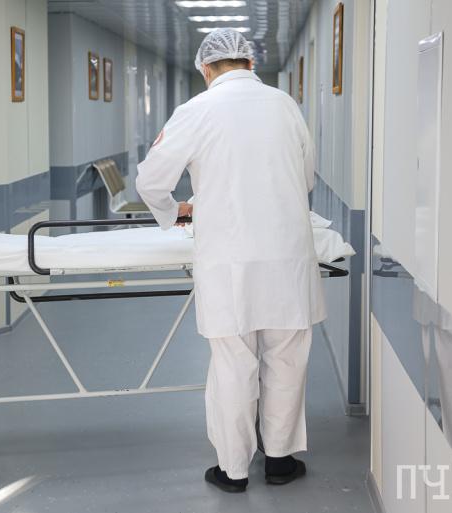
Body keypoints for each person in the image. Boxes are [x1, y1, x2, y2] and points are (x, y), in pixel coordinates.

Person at [135, 28, 325, 493]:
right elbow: (305, 178)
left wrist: (176, 211)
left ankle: (233, 470)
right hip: (287, 256)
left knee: (233, 365)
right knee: (286, 359)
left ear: (205, 69)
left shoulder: (196, 110)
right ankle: (279, 460)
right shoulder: (285, 105)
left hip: (229, 260)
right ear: (251, 63)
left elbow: (150, 182)